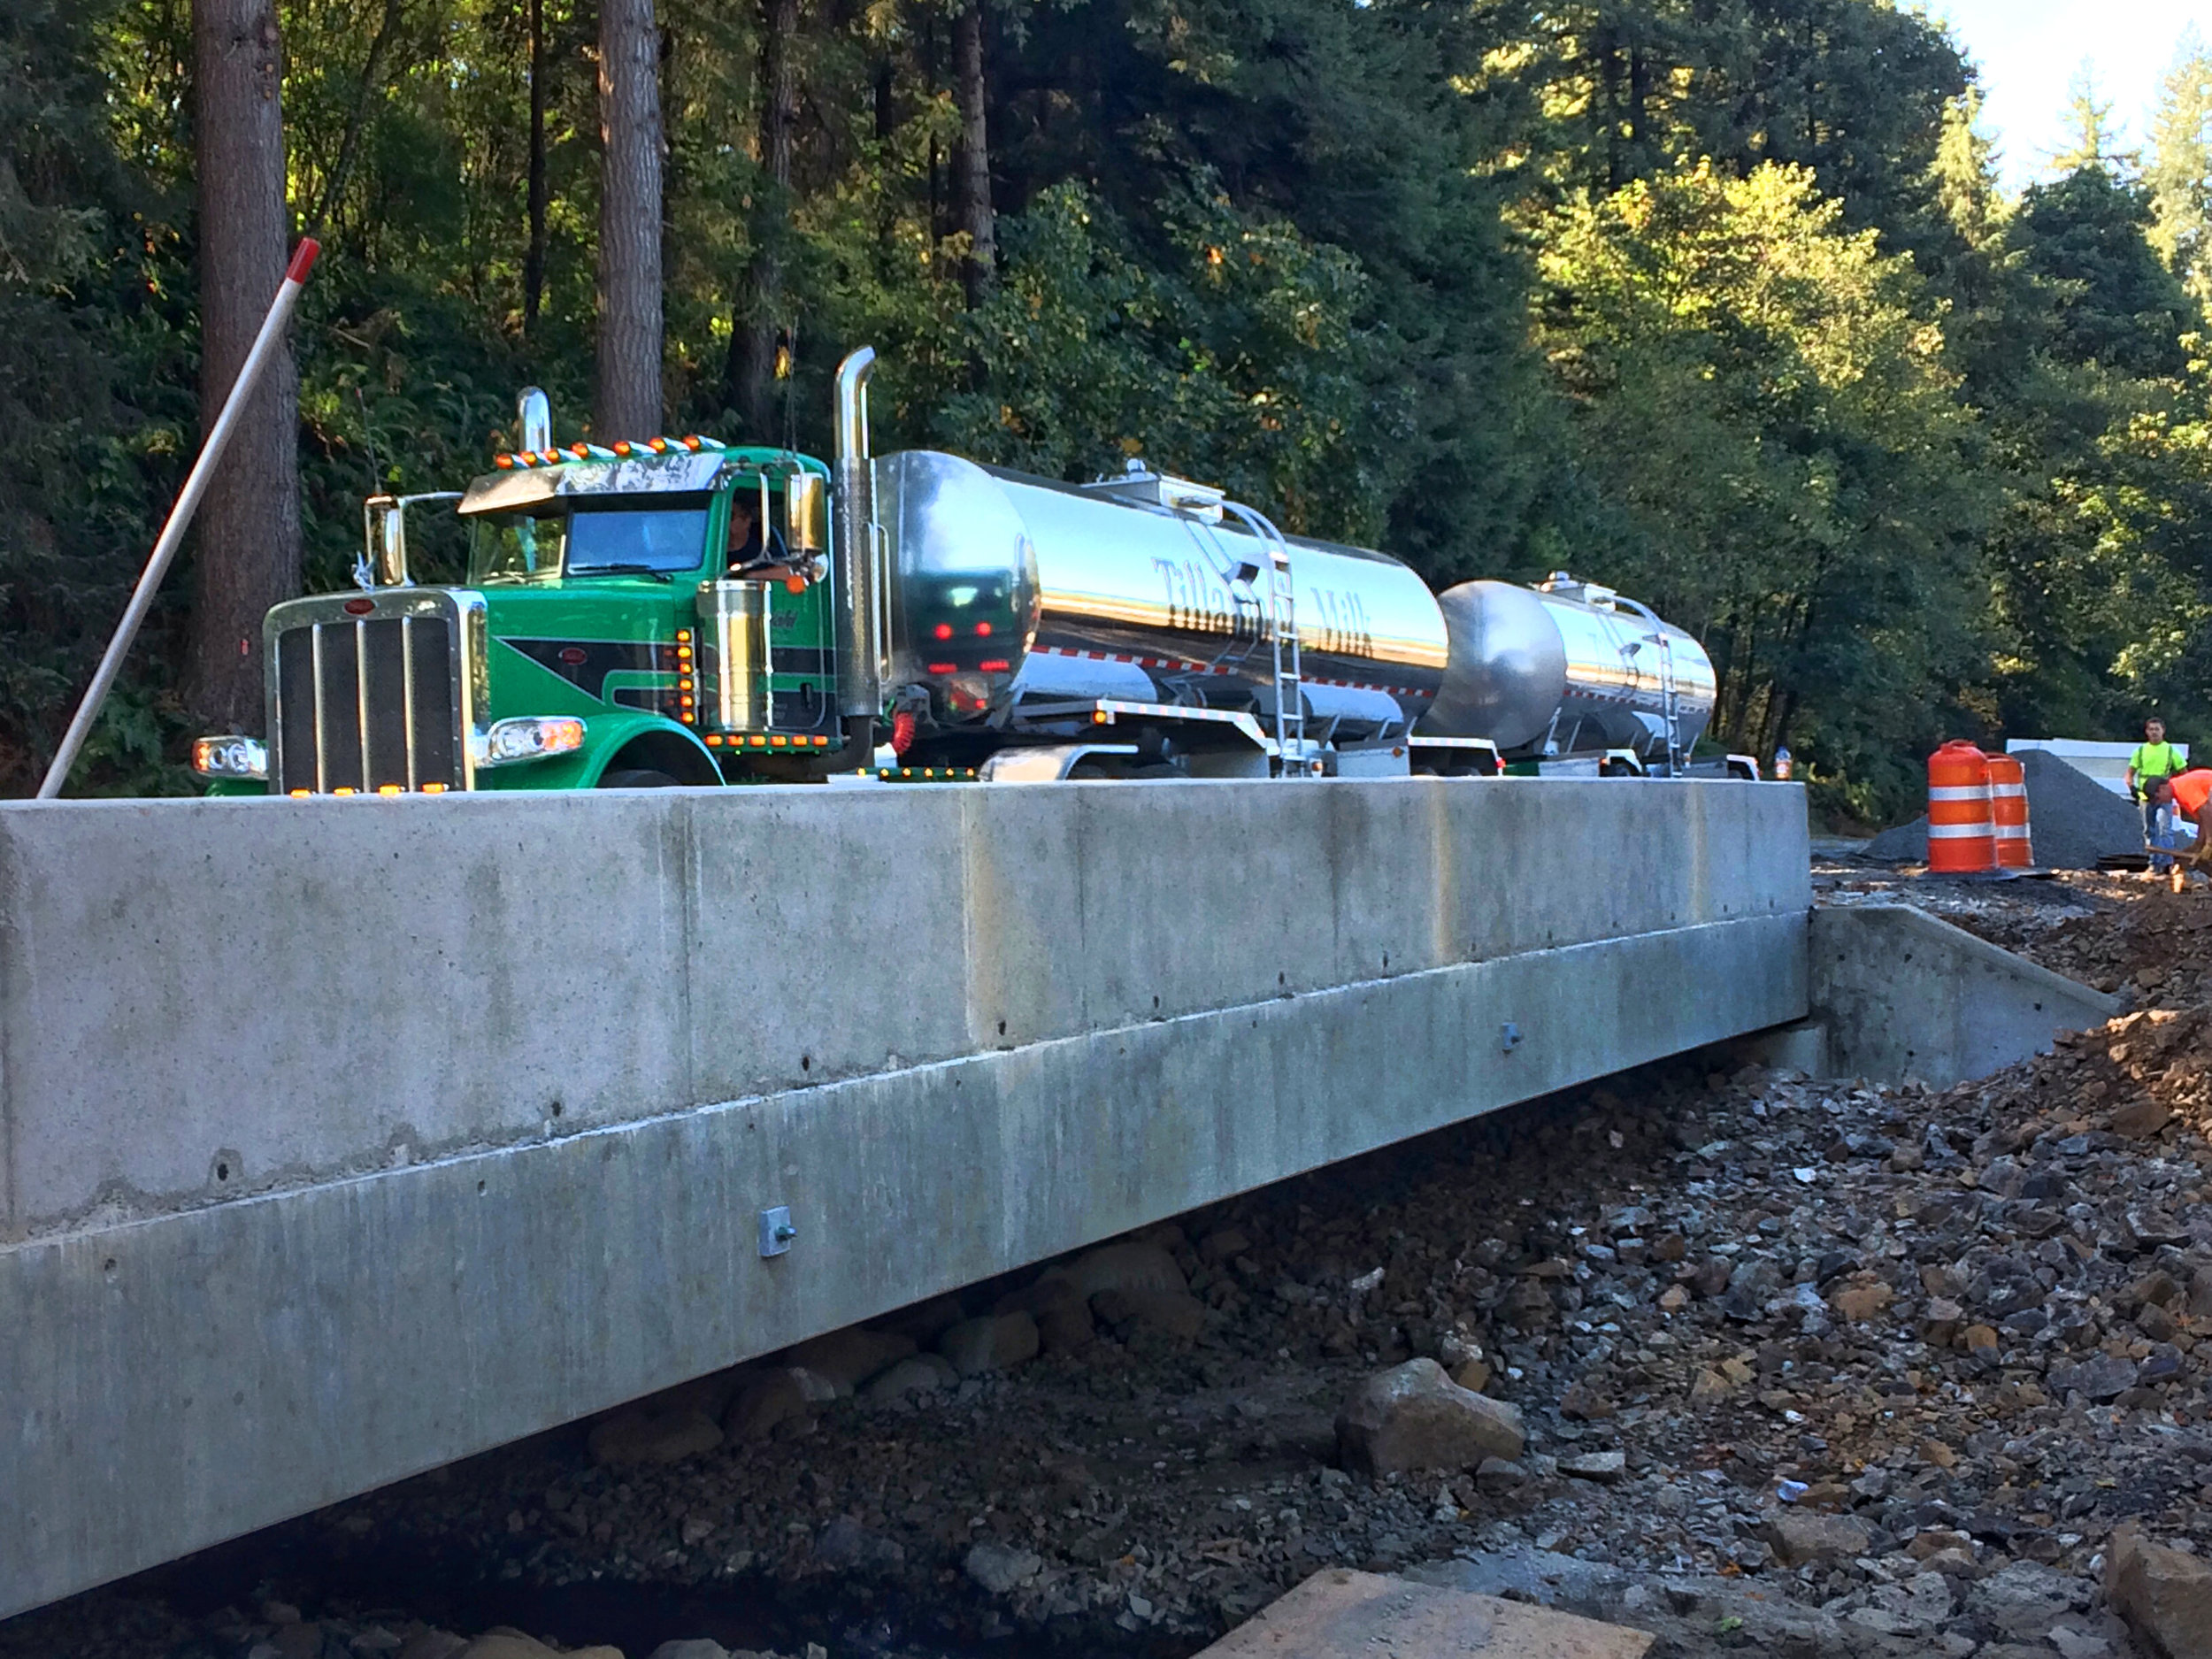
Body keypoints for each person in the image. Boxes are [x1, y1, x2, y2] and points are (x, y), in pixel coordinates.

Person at [2127, 717, 2186, 878]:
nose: (2154, 732)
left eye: (2157, 729)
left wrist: (2174, 790)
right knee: (2149, 830)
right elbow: (2130, 774)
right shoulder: (2140, 751)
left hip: (2164, 797)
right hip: (2145, 797)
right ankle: (2154, 864)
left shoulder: (2170, 751)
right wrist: (2134, 790)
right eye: (2151, 729)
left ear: (2163, 731)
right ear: (2146, 732)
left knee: (2164, 829)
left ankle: (2167, 864)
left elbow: (2184, 773)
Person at [2149, 766, 2212, 891]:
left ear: (2162, 788)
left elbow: (2207, 810)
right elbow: (2203, 820)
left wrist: (2210, 841)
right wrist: (2198, 845)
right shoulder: (2180, 790)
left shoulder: (2182, 788)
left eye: (2158, 798)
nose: (2160, 801)